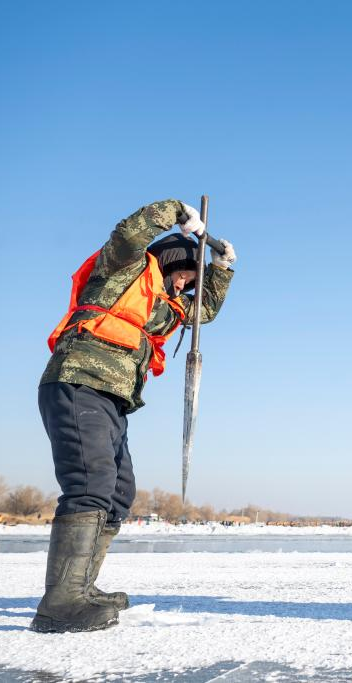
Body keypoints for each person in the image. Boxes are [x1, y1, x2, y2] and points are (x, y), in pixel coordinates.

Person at [32, 200, 237, 633]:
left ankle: (81, 588)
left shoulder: (164, 304)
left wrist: (222, 269)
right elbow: (130, 231)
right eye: (185, 274)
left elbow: (205, 313)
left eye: (192, 281)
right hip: (78, 381)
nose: (186, 285)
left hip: (112, 399)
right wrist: (175, 212)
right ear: (170, 261)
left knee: (119, 491)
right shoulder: (124, 268)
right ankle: (60, 604)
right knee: (89, 484)